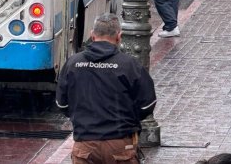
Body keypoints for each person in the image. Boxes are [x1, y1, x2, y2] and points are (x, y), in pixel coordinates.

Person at [56, 13, 157, 164]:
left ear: (92, 35)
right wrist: (128, 118)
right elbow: (147, 104)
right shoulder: (128, 64)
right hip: (120, 145)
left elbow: (62, 104)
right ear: (119, 36)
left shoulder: (73, 63)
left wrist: (84, 118)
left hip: (85, 144)